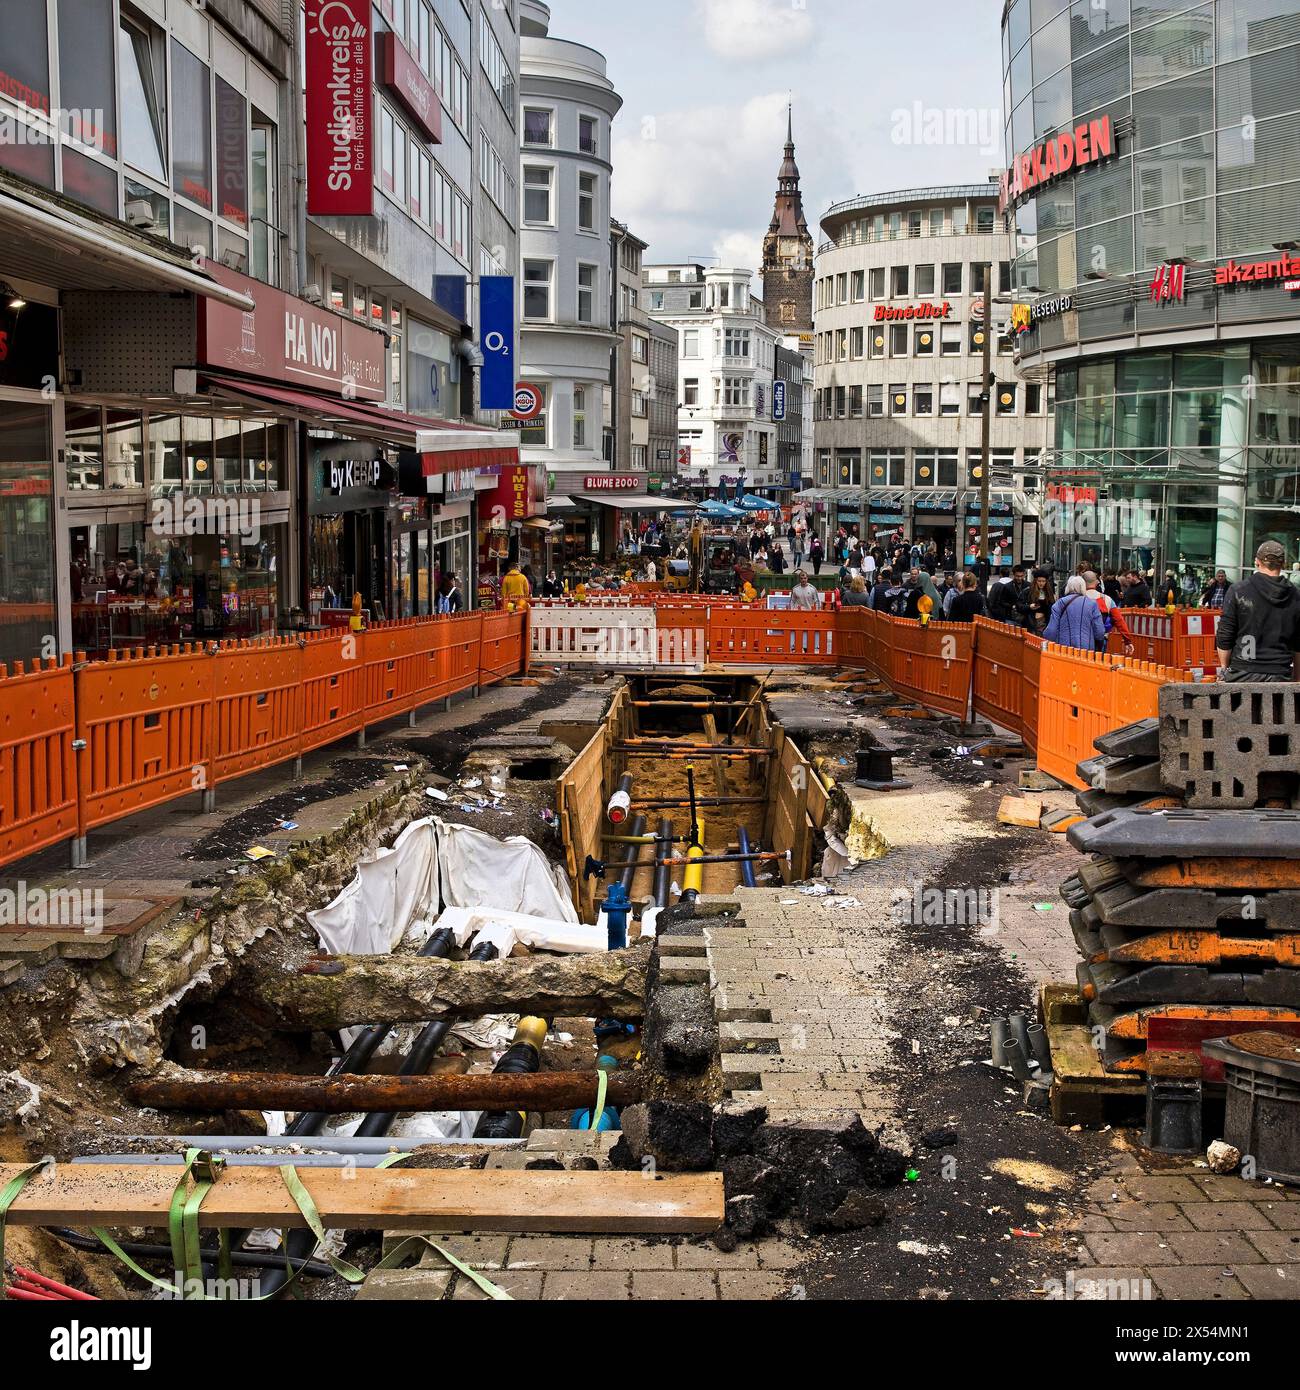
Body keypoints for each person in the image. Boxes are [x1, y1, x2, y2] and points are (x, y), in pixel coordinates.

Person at [1216, 540, 1300, 683]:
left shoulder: (1238, 590)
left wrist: (1224, 668)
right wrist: (1297, 677)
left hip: (1243, 672)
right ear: (1283, 563)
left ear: (1256, 561)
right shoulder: (1295, 595)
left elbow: (1225, 635)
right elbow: (1298, 643)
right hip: (1280, 674)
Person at [1043, 575, 1107, 651]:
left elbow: (1050, 632)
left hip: (1063, 650)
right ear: (1083, 587)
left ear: (1068, 587)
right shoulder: (1092, 604)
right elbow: (1099, 632)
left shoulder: (1060, 603)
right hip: (1086, 650)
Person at [1083, 570, 1134, 655]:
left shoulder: (1077, 598)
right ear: (1097, 583)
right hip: (1100, 640)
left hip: (1080, 640)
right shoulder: (1107, 600)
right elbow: (1119, 621)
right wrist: (1127, 641)